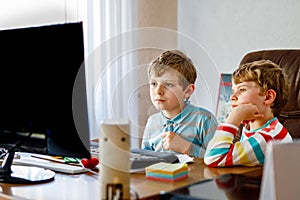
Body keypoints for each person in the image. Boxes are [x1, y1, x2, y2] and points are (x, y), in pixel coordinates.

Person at [204, 59, 293, 167]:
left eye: (242, 90)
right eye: (233, 91)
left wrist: (234, 117)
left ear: (268, 97)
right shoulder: (256, 129)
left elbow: (213, 158)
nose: (232, 97)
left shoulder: (268, 139)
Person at [141, 50, 218, 158]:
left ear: (187, 91)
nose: (158, 91)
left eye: (168, 84)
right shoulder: (152, 122)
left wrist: (187, 147)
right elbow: (145, 160)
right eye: (154, 84)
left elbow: (218, 159)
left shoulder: (205, 120)